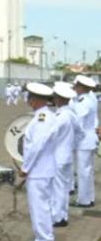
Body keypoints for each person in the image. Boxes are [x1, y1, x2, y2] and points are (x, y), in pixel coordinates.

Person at [18, 82, 57, 241]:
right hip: (44, 169)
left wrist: (25, 168)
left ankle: (44, 238)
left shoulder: (42, 118)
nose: (28, 101)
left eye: (29, 98)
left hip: (39, 171)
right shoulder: (48, 115)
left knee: (39, 209)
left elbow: (36, 146)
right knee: (43, 208)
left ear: (35, 100)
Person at [49, 83, 84, 227]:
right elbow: (80, 133)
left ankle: (57, 217)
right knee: (63, 188)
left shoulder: (60, 116)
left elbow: (50, 136)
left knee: (57, 188)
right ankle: (62, 215)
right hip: (67, 156)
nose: (54, 100)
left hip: (57, 157)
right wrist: (71, 146)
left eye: (55, 97)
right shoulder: (71, 114)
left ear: (59, 99)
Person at [71, 75, 98, 208]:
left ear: (81, 87)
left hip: (83, 141)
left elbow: (79, 124)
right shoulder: (89, 99)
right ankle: (89, 198)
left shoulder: (83, 102)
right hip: (89, 140)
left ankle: (83, 200)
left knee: (83, 172)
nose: (75, 88)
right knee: (88, 171)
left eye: (76, 86)